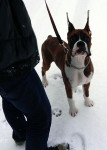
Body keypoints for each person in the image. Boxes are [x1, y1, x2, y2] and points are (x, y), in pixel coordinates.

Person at [0, 0, 63, 150]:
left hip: (6, 62)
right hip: (12, 61)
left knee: (8, 97)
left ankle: (21, 134)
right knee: (40, 116)